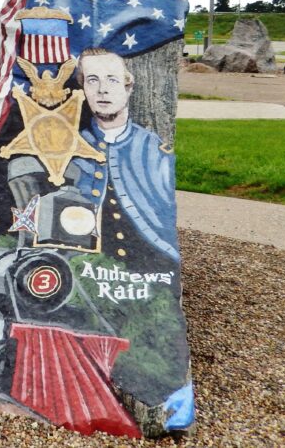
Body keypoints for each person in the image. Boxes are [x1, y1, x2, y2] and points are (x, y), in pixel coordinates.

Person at [70, 47, 193, 429]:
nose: (102, 90)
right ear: (83, 90)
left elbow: (157, 218)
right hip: (89, 262)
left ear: (128, 87)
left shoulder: (152, 151)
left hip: (142, 264)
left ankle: (165, 395)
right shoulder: (72, 149)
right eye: (92, 81)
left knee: (155, 318)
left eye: (111, 80)